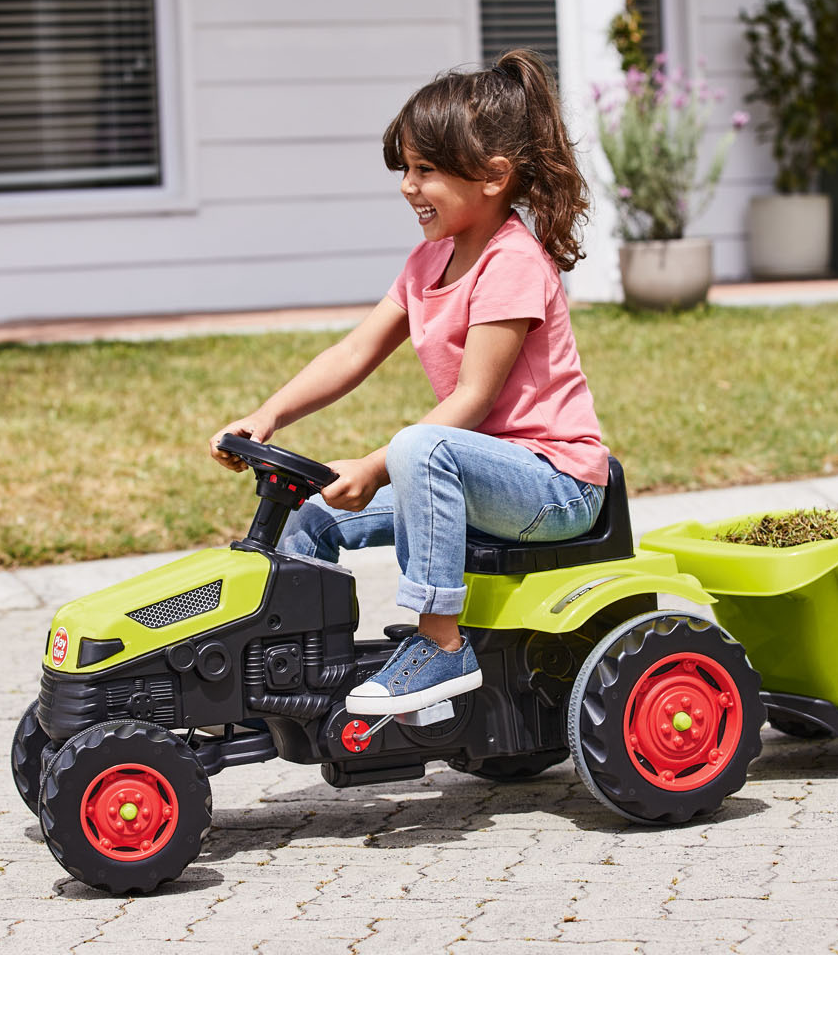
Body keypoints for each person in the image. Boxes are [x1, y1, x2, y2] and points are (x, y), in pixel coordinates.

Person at [208, 48, 608, 717]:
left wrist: (374, 466)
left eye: (426, 170)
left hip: (552, 485)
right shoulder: (428, 262)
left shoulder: (513, 262)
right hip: (471, 477)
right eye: (405, 169)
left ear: (493, 175)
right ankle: (298, 667)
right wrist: (266, 416)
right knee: (313, 509)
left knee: (418, 446)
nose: (408, 186)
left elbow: (472, 400)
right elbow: (354, 351)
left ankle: (440, 644)